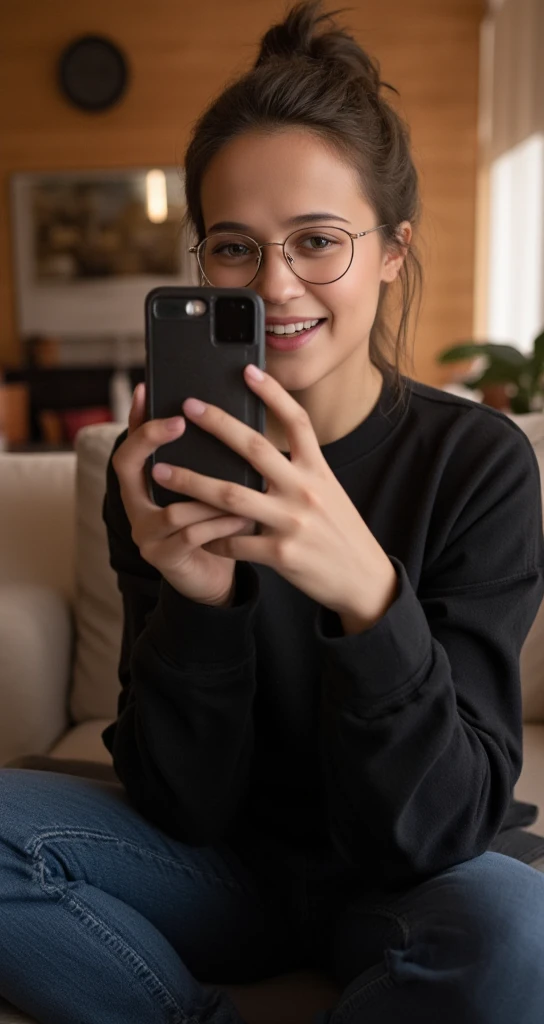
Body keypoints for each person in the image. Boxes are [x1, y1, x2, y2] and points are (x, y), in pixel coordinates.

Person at [1, 3, 544, 1022]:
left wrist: (370, 598)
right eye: (235, 248)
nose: (277, 284)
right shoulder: (160, 463)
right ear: (201, 258)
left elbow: (439, 828)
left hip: (402, 885)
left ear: (391, 251)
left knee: (523, 939)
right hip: (214, 873)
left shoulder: (477, 462)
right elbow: (182, 805)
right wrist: (197, 603)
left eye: (317, 241)